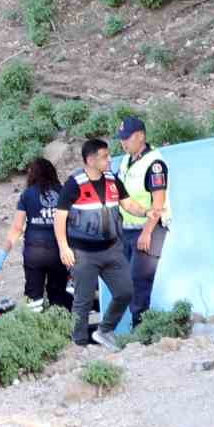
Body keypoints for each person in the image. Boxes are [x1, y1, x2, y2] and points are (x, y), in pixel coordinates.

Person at [54, 138, 149, 350]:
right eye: (105, 157)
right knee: (83, 302)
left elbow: (128, 204)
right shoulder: (74, 184)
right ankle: (78, 346)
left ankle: (104, 330)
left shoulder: (112, 180)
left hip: (113, 250)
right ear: (90, 160)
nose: (109, 160)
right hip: (83, 254)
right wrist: (63, 247)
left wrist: (146, 212)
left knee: (125, 292)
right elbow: (59, 218)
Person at [111, 116, 171, 326]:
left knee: (139, 283)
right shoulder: (126, 161)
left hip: (149, 230)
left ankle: (141, 332)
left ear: (141, 136)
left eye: (127, 138)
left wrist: (147, 232)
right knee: (127, 283)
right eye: (121, 139)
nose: (123, 142)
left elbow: (159, 201)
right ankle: (139, 328)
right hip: (127, 230)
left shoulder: (154, 163)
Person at [2, 158, 71, 311]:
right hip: (58, 251)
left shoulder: (27, 194)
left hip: (34, 251)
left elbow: (17, 227)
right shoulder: (63, 191)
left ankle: (36, 330)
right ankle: (60, 329)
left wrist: (3, 254)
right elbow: (72, 221)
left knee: (33, 297)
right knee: (58, 295)